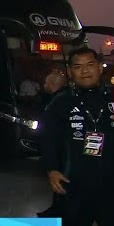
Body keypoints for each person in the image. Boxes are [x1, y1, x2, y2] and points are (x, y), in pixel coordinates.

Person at [40, 46, 114, 226]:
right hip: (75, 186)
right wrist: (51, 170)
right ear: (70, 72)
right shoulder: (61, 102)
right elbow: (46, 137)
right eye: (77, 67)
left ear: (100, 67)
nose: (84, 70)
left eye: (90, 64)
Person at [36, 70, 68, 218]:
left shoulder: (57, 102)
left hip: (60, 150)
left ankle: (58, 211)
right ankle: (56, 208)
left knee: (60, 180)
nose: (43, 85)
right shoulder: (62, 98)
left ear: (52, 84)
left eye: (45, 83)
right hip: (61, 149)